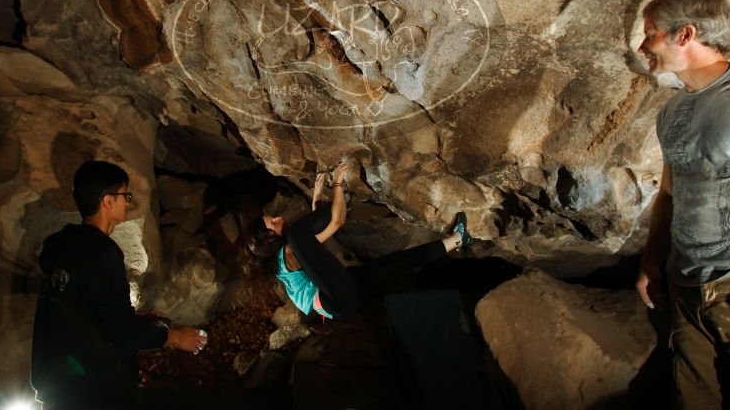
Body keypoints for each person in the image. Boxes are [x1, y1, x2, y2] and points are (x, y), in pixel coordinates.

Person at [30, 160, 207, 408]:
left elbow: (82, 312)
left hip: (59, 387)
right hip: (94, 390)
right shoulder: (100, 251)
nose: (128, 202)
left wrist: (137, 319)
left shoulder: (61, 247)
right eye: (125, 195)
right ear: (107, 201)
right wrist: (175, 338)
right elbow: (119, 330)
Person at [635, 0, 730, 408]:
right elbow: (670, 193)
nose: (643, 46)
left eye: (651, 33)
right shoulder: (671, 111)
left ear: (685, 34)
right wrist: (652, 261)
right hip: (686, 284)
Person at [247, 162, 475, 320]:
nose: (278, 218)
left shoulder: (282, 257)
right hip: (335, 298)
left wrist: (316, 200)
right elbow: (335, 224)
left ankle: (457, 238)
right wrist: (338, 183)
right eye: (273, 223)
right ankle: (343, 201)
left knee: (396, 263)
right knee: (306, 229)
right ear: (270, 238)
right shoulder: (290, 248)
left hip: (337, 300)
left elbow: (317, 246)